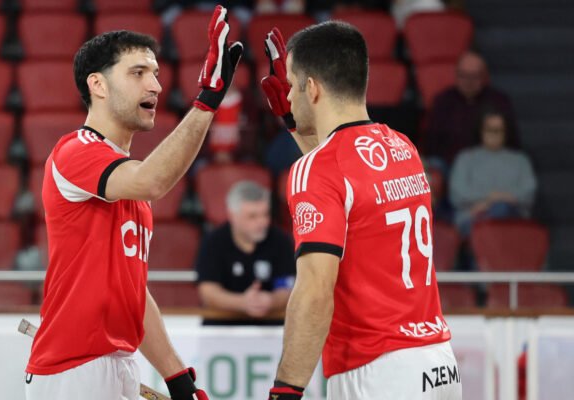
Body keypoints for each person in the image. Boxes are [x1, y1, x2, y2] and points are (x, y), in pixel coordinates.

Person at [24, 6, 243, 400]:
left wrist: (178, 378)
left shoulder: (127, 183)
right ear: (98, 85)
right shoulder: (76, 150)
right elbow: (154, 180)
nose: (155, 85)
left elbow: (132, 293)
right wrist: (207, 102)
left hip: (116, 362)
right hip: (73, 368)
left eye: (155, 73)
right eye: (138, 73)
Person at [260, 23, 461, 399]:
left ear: (312, 88)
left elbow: (315, 290)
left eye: (291, 85)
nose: (286, 94)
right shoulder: (403, 148)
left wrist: (286, 389)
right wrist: (292, 122)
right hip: (438, 363)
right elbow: (344, 181)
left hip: (376, 369)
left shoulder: (315, 169)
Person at [196, 180, 295, 325]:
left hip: (270, 328)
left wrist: (270, 300)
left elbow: (286, 287)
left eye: (265, 214)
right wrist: (242, 302)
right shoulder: (214, 241)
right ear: (232, 216)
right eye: (252, 216)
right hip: (221, 328)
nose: (262, 222)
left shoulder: (281, 241)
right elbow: (208, 291)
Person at [449, 109, 537, 237]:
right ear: (481, 130)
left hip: (511, 218)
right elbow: (458, 193)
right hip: (472, 217)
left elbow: (528, 192)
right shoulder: (465, 158)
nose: (494, 134)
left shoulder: (520, 160)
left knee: (501, 209)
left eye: (498, 130)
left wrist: (493, 201)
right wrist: (492, 198)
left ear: (506, 132)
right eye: (489, 129)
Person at [424, 51, 519, 166]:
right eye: (463, 75)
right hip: (449, 163)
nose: (468, 81)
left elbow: (511, 141)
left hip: (490, 161)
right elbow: (431, 142)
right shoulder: (443, 101)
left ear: (484, 76)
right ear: (456, 75)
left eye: (474, 76)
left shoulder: (499, 102)